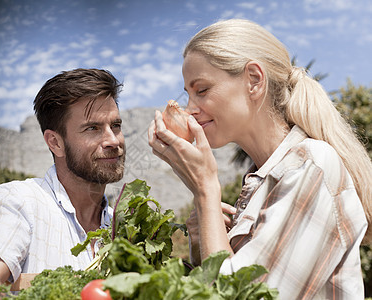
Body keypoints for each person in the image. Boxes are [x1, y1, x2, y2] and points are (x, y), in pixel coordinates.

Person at [148, 19, 372, 299]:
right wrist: (202, 233)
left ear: (254, 80)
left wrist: (205, 189)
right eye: (188, 95)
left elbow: (240, 295)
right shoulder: (262, 183)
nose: (190, 109)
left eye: (202, 90)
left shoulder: (311, 165)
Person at [0, 68, 126, 299]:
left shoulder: (122, 228)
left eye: (116, 126)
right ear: (55, 142)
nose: (113, 140)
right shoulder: (21, 201)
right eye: (93, 128)